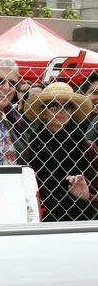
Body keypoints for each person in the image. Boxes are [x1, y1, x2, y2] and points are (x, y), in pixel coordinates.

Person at [23, 82, 97, 222]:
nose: (60, 110)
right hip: (39, 223)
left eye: (66, 106)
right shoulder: (31, 148)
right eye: (53, 106)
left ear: (72, 112)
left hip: (80, 225)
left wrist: (87, 196)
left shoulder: (86, 147)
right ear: (43, 113)